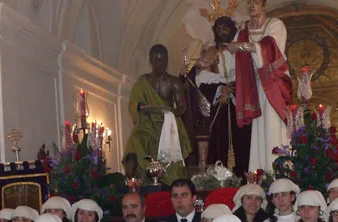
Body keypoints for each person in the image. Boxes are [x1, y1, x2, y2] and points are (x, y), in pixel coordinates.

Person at [228, 0, 292, 173]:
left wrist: (242, 46)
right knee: (258, 131)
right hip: (253, 85)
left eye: (255, 2)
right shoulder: (243, 30)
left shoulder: (275, 24)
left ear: (264, 5)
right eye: (248, 2)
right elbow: (231, 53)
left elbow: (271, 47)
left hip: (272, 83)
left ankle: (278, 171)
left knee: (273, 125)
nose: (251, 5)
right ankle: (259, 173)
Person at [123, 44, 191, 184]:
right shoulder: (143, 81)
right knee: (135, 140)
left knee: (171, 146)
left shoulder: (174, 82)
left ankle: (170, 180)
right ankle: (143, 175)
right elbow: (133, 103)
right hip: (148, 125)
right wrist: (139, 106)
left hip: (168, 124)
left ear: (167, 61)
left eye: (163, 59)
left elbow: (182, 106)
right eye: (157, 60)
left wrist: (170, 114)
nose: (160, 63)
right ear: (150, 61)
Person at [193, 16, 251, 174]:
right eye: (219, 29)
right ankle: (221, 181)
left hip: (241, 101)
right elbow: (201, 80)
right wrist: (220, 89)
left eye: (225, 28)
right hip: (221, 103)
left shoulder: (242, 48)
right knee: (220, 141)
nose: (222, 32)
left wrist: (233, 89)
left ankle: (246, 179)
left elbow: (250, 75)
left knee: (244, 142)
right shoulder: (212, 52)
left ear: (233, 28)